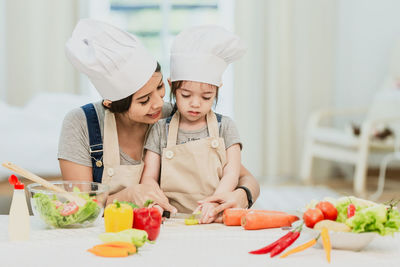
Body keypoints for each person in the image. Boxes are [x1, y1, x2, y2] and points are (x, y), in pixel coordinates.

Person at [59, 19, 259, 218]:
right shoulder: (81, 124)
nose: (158, 103)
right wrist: (125, 196)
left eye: (160, 87)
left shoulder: (180, 117)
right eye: (144, 100)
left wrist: (242, 196)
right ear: (110, 104)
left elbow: (246, 178)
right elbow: (80, 206)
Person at [141, 25, 246, 223]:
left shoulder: (226, 127)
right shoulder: (160, 129)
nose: (195, 104)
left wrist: (215, 202)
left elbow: (232, 173)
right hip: (170, 217)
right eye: (186, 95)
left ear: (217, 90)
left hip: (215, 216)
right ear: (172, 86)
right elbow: (148, 178)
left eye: (207, 97)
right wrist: (155, 202)